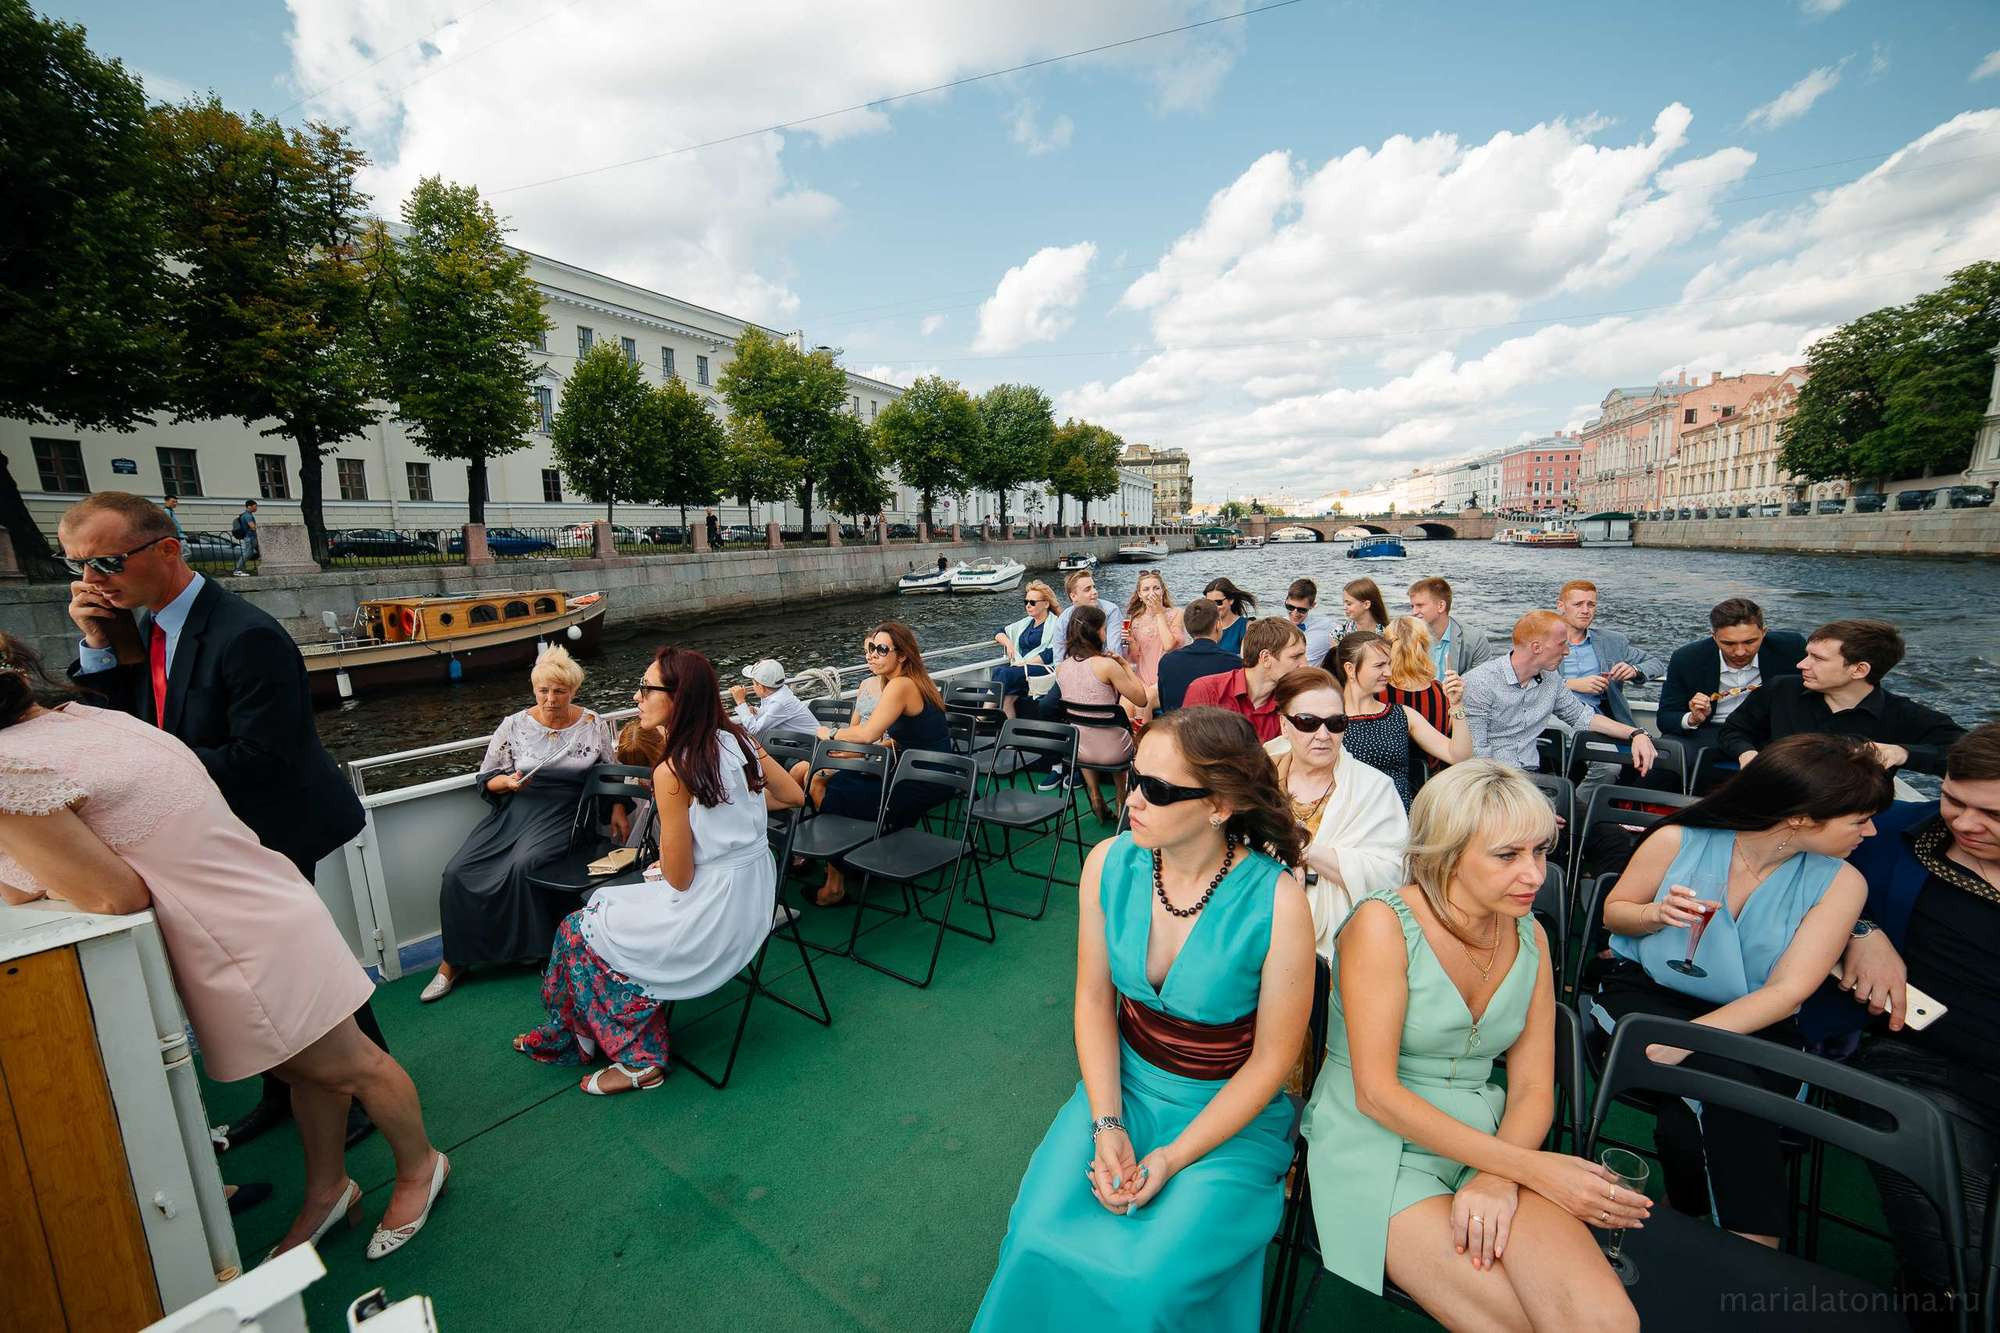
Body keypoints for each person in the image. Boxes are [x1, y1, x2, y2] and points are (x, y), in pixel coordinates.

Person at [0, 634, 451, 1263]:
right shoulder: (90, 717)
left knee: (348, 1065)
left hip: (234, 936)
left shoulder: (8, 769)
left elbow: (110, 895)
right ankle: (328, 1191)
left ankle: (419, 1169)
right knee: (305, 1070)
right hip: (267, 899)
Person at [972, 708, 1313, 1331]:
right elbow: (1094, 1002)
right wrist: (1106, 1124)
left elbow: (1272, 1062)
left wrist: (1175, 1157)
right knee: (1034, 1233)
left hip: (1226, 1118)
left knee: (1145, 1284)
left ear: (1221, 804)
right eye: (1135, 776)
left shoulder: (1279, 901)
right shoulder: (1108, 862)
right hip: (1121, 1089)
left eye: (1157, 789)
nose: (1133, 798)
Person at [60, 491, 381, 1151]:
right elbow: (124, 724)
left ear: (168, 550)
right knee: (267, 975)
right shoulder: (147, 626)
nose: (93, 581)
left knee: (299, 969)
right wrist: (99, 643)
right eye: (80, 566)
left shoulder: (247, 634)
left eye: (107, 562)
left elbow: (261, 757)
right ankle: (289, 1090)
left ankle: (359, 1091)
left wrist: (149, 774)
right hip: (216, 833)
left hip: (277, 825)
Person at [1303, 759, 1643, 1329]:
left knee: (1608, 1325)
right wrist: (1531, 1170)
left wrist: (1498, 1175)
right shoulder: (1382, 925)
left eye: (1539, 851)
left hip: (1490, 1134)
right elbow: (1377, 1095)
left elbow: (1535, 1085)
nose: (1535, 874)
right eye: (1508, 856)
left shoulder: (1529, 931)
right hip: (1375, 1142)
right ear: (1447, 854)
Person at [1593, 733, 1884, 1246]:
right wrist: (1655, 914)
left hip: (1756, 1019)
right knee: (1731, 1087)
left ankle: (1685, 1223)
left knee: (1704, 1093)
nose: (1872, 831)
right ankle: (1752, 1250)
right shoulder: (1678, 840)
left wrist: (1693, 1038)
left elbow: (1787, 993)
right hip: (1646, 995)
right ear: (1800, 816)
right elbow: (1615, 913)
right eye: (1859, 820)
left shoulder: (1843, 883)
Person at [515, 648, 805, 1093]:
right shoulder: (739, 738)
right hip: (757, 894)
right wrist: (727, 814)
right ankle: (582, 1034)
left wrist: (672, 848)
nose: (637, 697)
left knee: (579, 928)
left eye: (647, 688)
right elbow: (792, 797)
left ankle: (637, 1059)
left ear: (679, 697)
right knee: (596, 914)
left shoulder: (673, 770)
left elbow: (680, 878)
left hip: (714, 913)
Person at [1805, 723, 2000, 1321]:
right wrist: (1859, 931)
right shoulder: (1892, 837)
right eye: (1953, 800)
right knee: (1956, 1243)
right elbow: (1749, 846)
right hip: (1917, 1065)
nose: (1965, 823)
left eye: (1991, 813)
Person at [423, 647, 619, 1002]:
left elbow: (609, 769)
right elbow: (487, 777)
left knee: (523, 864)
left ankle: (537, 951)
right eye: (543, 690)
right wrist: (507, 783)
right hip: (517, 809)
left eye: (559, 691)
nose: (550, 699)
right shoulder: (513, 725)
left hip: (567, 812)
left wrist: (618, 809)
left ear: (573, 691)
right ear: (534, 690)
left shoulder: (592, 723)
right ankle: (454, 960)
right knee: (457, 871)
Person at [792, 621, 950, 907]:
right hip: (912, 767)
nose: (871, 654)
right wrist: (862, 751)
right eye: (870, 648)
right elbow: (907, 737)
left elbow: (867, 733)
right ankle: (849, 862)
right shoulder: (906, 681)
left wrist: (828, 733)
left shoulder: (901, 684)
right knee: (833, 782)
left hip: (924, 778)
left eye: (881, 649)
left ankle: (836, 881)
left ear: (901, 655)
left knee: (830, 788)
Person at [1263, 666, 1408, 955]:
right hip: (1260, 931)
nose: (1323, 734)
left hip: (1346, 944)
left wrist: (1307, 852)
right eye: (1307, 722)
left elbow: (1395, 874)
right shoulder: (1259, 780)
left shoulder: (1374, 788)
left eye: (1335, 722)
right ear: (1283, 725)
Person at [1721, 618, 1964, 776]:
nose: (1801, 664)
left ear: (1859, 670)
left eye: (1818, 658)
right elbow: (1734, 730)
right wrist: (1747, 754)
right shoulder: (1780, 689)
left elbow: (1969, 755)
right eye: (1807, 654)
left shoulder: (1901, 714)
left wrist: (1902, 753)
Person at [1461, 610, 1659, 777]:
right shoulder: (1480, 682)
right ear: (1536, 647)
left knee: (1582, 818)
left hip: (1530, 777)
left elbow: (1583, 717)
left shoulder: (1550, 679)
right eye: (1561, 644)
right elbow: (1477, 756)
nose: (1567, 651)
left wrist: (1636, 733)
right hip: (1490, 782)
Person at [1330, 631, 1471, 808]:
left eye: (1389, 664)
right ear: (1350, 669)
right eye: (1379, 665)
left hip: (1398, 819)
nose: (1388, 672)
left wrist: (1457, 705)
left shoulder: (1402, 715)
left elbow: (1458, 756)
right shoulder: (1328, 719)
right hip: (1348, 818)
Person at [1656, 598, 1806, 753]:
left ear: (1764, 632)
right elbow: (1666, 718)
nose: (1740, 652)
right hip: (1709, 731)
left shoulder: (1791, 648)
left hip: (1769, 733)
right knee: (1665, 758)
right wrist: (1693, 719)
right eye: (1729, 643)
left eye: (1750, 642)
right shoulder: (1687, 658)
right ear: (1713, 636)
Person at [1052, 606, 1150, 821]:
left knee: (1086, 730)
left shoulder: (1062, 668)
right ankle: (1120, 795)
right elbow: (1141, 698)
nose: (1106, 634)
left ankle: (1095, 796)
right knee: (1118, 731)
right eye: (1104, 629)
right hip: (1114, 751)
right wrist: (1124, 665)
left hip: (1080, 751)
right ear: (1095, 632)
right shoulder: (1107, 666)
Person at [1553, 580, 1662, 728]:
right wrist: (1572, 684)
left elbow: (1656, 664)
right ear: (1561, 606)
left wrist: (1634, 670)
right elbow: (1523, 680)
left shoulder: (1612, 641)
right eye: (1578, 604)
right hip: (1554, 720)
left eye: (1591, 605)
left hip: (1601, 722)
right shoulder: (1542, 641)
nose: (1585, 610)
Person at [1182, 618, 1309, 743]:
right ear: (1265, 658)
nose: (1304, 664)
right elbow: (1191, 751)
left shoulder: (1292, 703)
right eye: (1296, 657)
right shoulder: (1207, 691)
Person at [1384, 616, 1461, 780]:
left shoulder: (1377, 692)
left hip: (1387, 778)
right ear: (1425, 647)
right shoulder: (1441, 691)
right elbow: (1450, 732)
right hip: (1432, 780)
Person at [1156, 596, 1237, 712]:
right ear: (1218, 625)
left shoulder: (1167, 662)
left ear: (1189, 628)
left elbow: (1165, 705)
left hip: (1176, 726)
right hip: (1216, 727)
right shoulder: (1234, 664)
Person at [993, 580, 1060, 716]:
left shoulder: (1057, 624)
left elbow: (1051, 654)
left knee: (1004, 673)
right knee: (1006, 696)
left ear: (1046, 604)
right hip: (1023, 668)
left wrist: (1023, 663)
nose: (1028, 606)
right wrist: (1009, 644)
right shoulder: (1025, 623)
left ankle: (981, 716)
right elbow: (998, 632)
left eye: (1032, 602)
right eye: (1026, 602)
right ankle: (1010, 732)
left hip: (1045, 668)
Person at [1407, 576, 1495, 677]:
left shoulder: (1475, 640)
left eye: (1420, 605)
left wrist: (1460, 686)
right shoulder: (1406, 638)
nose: (1413, 612)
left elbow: (1483, 681)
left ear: (1441, 606)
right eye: (1412, 606)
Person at [1124, 570, 1189, 699]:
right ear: (1140, 595)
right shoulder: (1135, 619)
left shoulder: (1177, 613)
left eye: (1156, 588)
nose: (1151, 593)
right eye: (1146, 589)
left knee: (1145, 702)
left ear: (1162, 591)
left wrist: (1159, 613)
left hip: (1167, 677)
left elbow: (1169, 645)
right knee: (1125, 703)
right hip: (1142, 677)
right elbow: (1134, 658)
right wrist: (1130, 641)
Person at [728, 658, 818, 742]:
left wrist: (740, 701)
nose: (752, 687)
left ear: (761, 687)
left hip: (809, 744)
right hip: (801, 740)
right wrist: (756, 711)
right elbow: (772, 714)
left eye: (753, 684)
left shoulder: (779, 702)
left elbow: (754, 730)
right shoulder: (779, 693)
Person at [1050, 568, 1125, 663]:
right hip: (1074, 668)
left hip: (1105, 666)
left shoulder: (1111, 611)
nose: (1094, 592)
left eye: (1094, 587)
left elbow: (1114, 650)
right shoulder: (1064, 619)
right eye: (1087, 589)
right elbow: (1059, 657)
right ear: (1073, 596)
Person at [1283, 578, 1337, 666]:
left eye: (1301, 610)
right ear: (1286, 601)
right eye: (1290, 607)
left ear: (1313, 605)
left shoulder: (1327, 626)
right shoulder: (1277, 627)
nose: (1294, 613)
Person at [1203, 578, 1257, 656]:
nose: (1214, 607)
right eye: (1209, 603)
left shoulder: (1246, 627)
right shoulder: (1203, 626)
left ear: (1231, 600)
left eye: (1218, 602)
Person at [231, 498, 259, 576]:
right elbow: (252, 526)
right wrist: (258, 528)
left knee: (253, 552)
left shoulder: (246, 515)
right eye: (255, 506)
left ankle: (240, 569)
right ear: (249, 507)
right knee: (247, 553)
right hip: (250, 537)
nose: (256, 508)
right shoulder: (247, 516)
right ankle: (238, 570)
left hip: (250, 537)